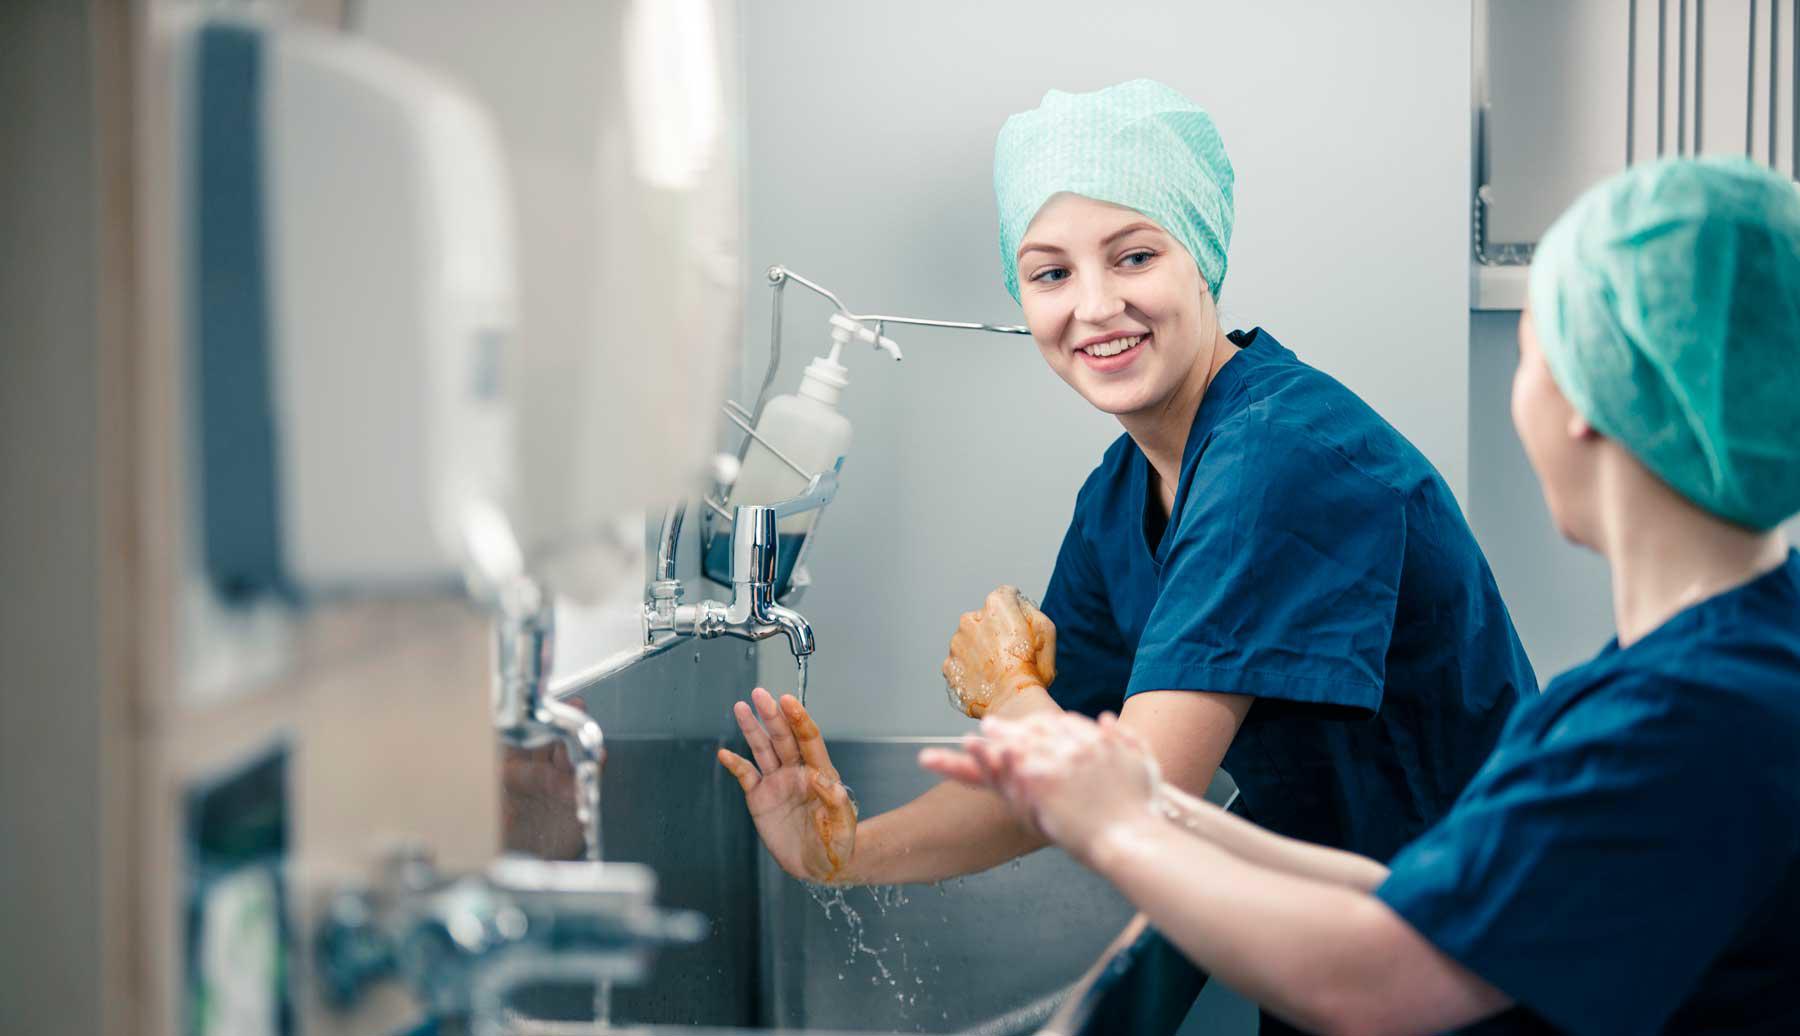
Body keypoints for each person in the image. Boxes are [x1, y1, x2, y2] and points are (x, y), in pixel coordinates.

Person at [718, 79, 1535, 1033]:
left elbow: (1135, 795)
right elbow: (1058, 786)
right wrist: (840, 850)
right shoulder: (1125, 490)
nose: (1095, 306)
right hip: (1352, 956)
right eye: (1050, 273)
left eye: (1134, 256)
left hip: (1468, 973)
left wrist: (1008, 693)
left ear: (1204, 261)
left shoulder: (1280, 459)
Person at [926, 156, 1800, 1036]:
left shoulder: (1680, 721)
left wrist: (1119, 824)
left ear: (1585, 401)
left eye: (1533, 355)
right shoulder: (1715, 668)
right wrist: (1133, 803)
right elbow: (1419, 897)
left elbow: (1385, 976)